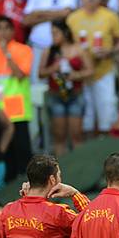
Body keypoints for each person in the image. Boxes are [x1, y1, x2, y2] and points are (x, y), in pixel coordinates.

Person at [67, 0, 119, 136]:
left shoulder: (110, 16)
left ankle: (107, 147)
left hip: (104, 70)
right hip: (81, 75)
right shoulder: (72, 18)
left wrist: (110, 51)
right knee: (86, 117)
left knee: (107, 112)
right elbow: (65, 45)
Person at [0, 16, 33, 184]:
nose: (2, 32)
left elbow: (19, 74)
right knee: (5, 154)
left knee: (23, 153)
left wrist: (7, 54)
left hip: (17, 111)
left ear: (12, 30)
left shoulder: (23, 50)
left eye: (6, 28)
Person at [39, 20, 93, 156]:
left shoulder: (79, 49)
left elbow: (90, 70)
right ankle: (60, 169)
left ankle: (79, 167)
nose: (53, 36)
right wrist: (53, 68)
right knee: (59, 135)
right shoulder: (49, 51)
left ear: (65, 32)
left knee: (77, 134)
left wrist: (76, 75)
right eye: (52, 33)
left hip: (75, 94)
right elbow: (40, 73)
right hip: (56, 95)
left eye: (56, 33)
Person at [21, 0, 76, 84]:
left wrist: (39, 13)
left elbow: (66, 13)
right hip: (38, 46)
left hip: (61, 47)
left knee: (64, 81)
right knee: (37, 82)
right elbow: (26, 21)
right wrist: (56, 15)